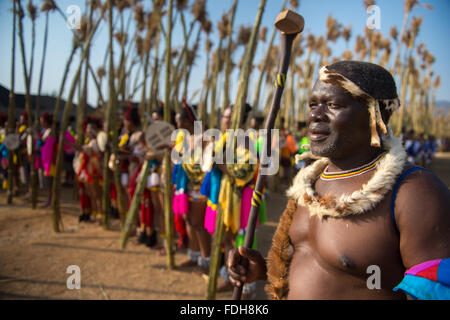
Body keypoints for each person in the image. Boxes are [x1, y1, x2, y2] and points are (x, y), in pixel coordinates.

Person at [227, 61, 450, 300]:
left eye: (333, 105)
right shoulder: (308, 185)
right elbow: (313, 264)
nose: (315, 115)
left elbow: (433, 294)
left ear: (377, 115)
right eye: (312, 104)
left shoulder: (414, 192)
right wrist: (263, 271)